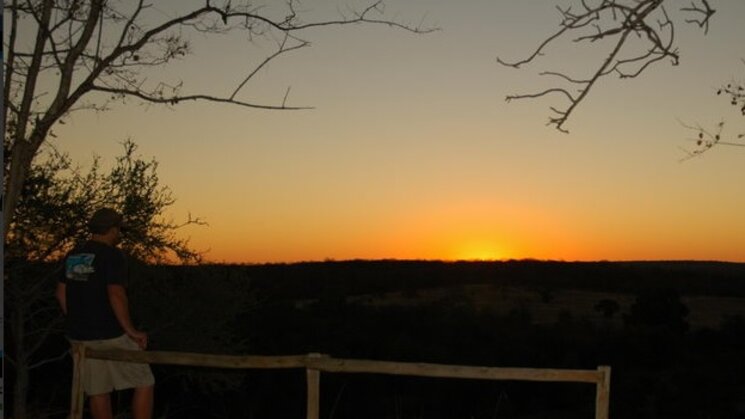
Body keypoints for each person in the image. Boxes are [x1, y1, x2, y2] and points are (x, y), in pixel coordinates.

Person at [56, 208, 154, 419]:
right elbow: (116, 294)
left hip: (80, 337)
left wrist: (75, 320)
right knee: (144, 382)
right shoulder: (112, 255)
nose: (119, 235)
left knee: (98, 390)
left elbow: (61, 292)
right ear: (112, 229)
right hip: (110, 335)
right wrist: (131, 331)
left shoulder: (74, 255)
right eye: (119, 230)